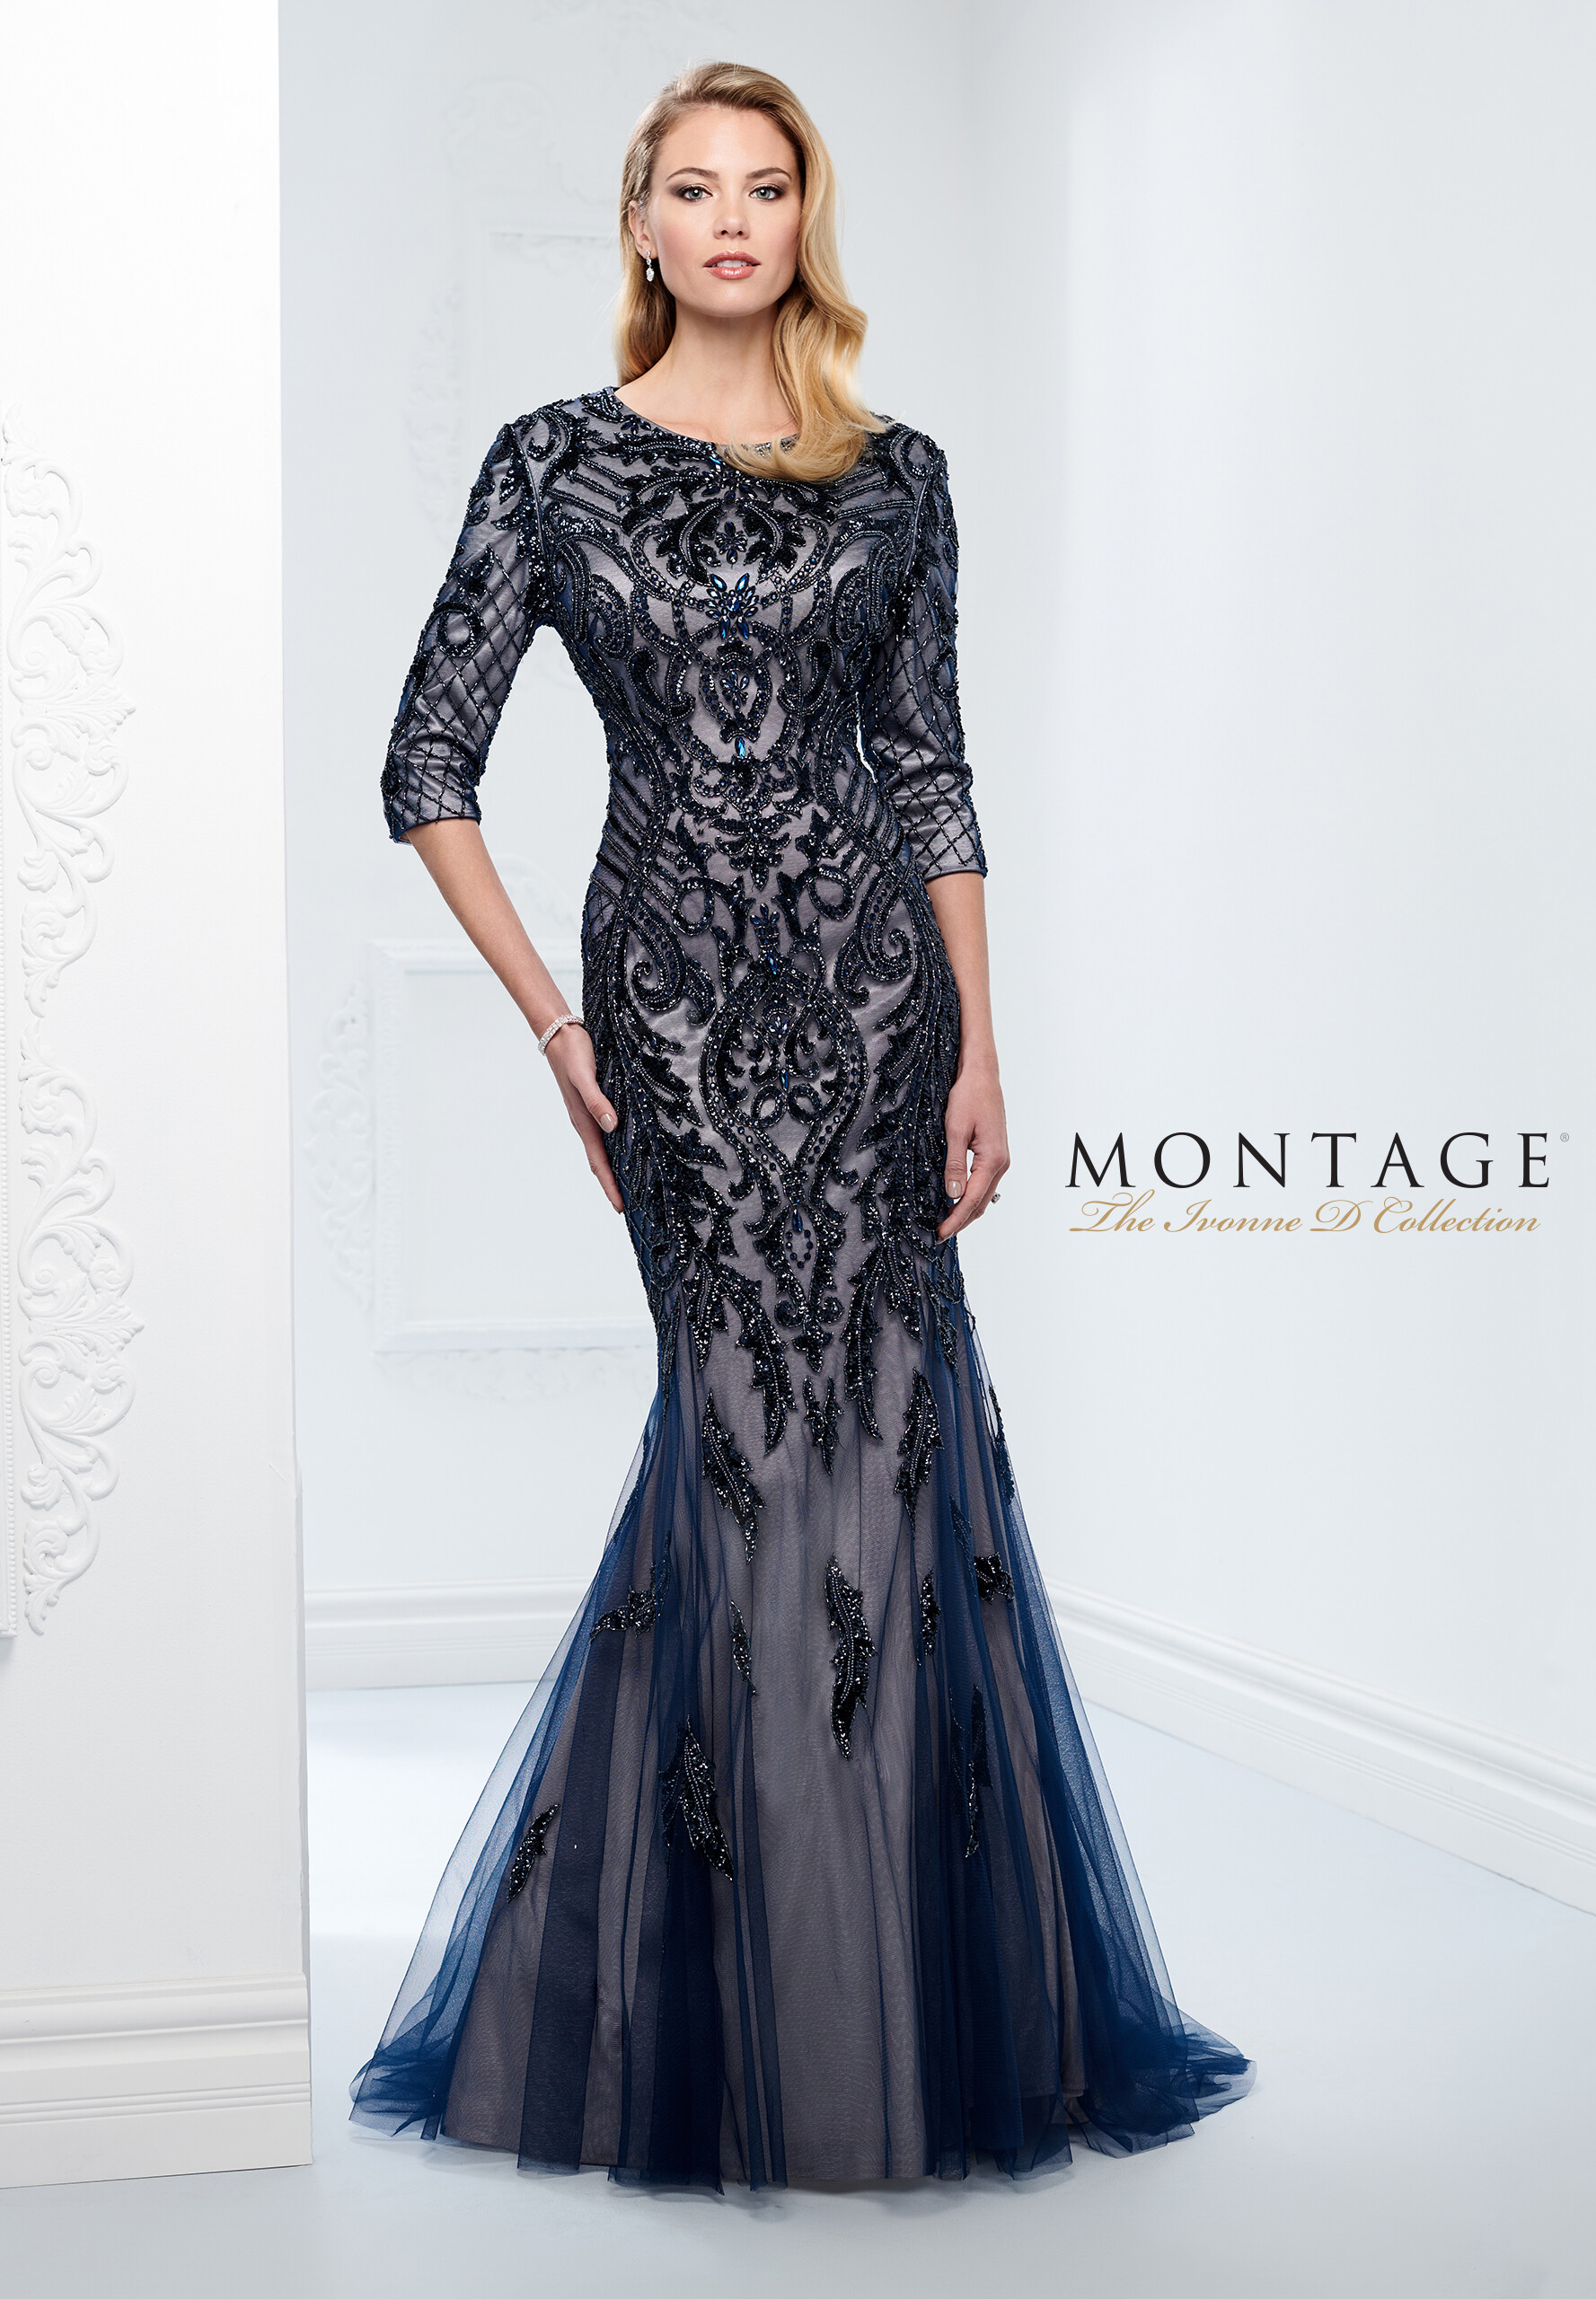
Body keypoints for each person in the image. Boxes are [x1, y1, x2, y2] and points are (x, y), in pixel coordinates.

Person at [349, 58, 1251, 2189]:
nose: (733, 218)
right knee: (742, 1443)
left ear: (799, 221)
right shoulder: (552, 462)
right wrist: (555, 1024)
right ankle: (724, 2021)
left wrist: (980, 1042)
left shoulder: (894, 475)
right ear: (641, 226)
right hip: (667, 1014)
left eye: (766, 186)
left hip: (871, 1010)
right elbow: (423, 764)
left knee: (895, 1444)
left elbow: (926, 765)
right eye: (694, 187)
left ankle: (914, 2013)